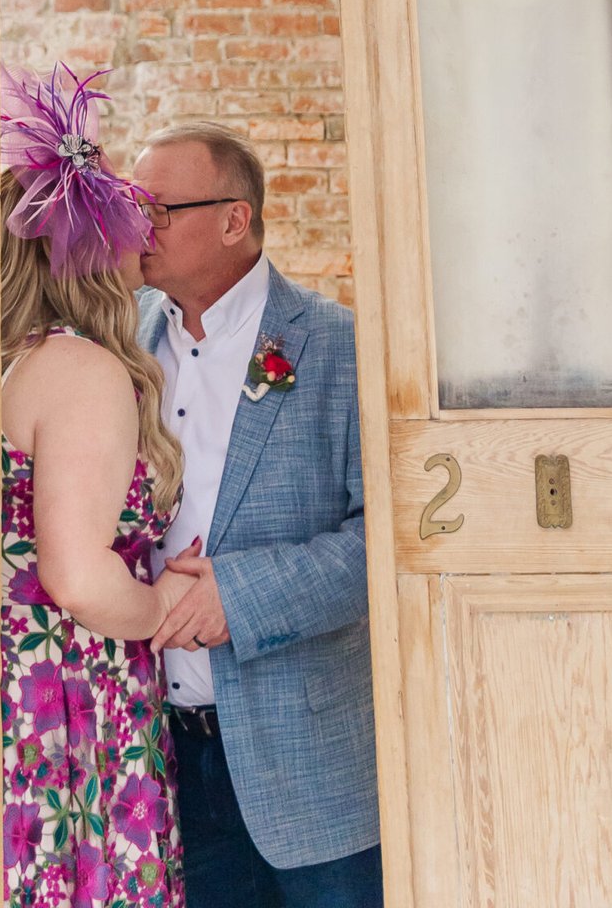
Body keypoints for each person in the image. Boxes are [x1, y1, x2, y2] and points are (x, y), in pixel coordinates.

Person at [134, 120, 380, 908]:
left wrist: (236, 597)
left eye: (158, 209)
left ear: (234, 220)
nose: (138, 225)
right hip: (163, 763)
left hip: (313, 768)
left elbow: (386, 542)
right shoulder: (119, 342)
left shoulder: (340, 347)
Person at [0, 64, 195, 908]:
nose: (139, 236)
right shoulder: (81, 372)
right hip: (72, 706)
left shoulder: (12, 362)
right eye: (122, 218)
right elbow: (77, 576)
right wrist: (160, 609)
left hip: (22, 694)